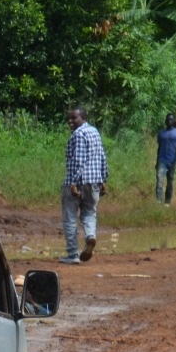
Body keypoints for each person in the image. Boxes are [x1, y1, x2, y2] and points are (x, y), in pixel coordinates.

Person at [60, 107, 108, 265]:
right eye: (69, 118)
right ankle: (90, 236)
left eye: (74, 118)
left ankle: (72, 254)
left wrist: (73, 182)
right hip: (94, 181)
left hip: (78, 182)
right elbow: (102, 156)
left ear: (83, 118)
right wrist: (103, 179)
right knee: (89, 213)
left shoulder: (79, 134)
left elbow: (78, 161)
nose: (70, 121)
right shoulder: (94, 132)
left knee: (70, 218)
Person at [155, 114, 176, 205]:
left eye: (171, 119)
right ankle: (159, 201)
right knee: (159, 180)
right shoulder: (161, 133)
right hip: (162, 161)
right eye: (168, 119)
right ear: (165, 121)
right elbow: (159, 148)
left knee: (170, 182)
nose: (169, 121)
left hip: (172, 161)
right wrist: (157, 161)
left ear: (174, 121)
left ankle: (167, 201)